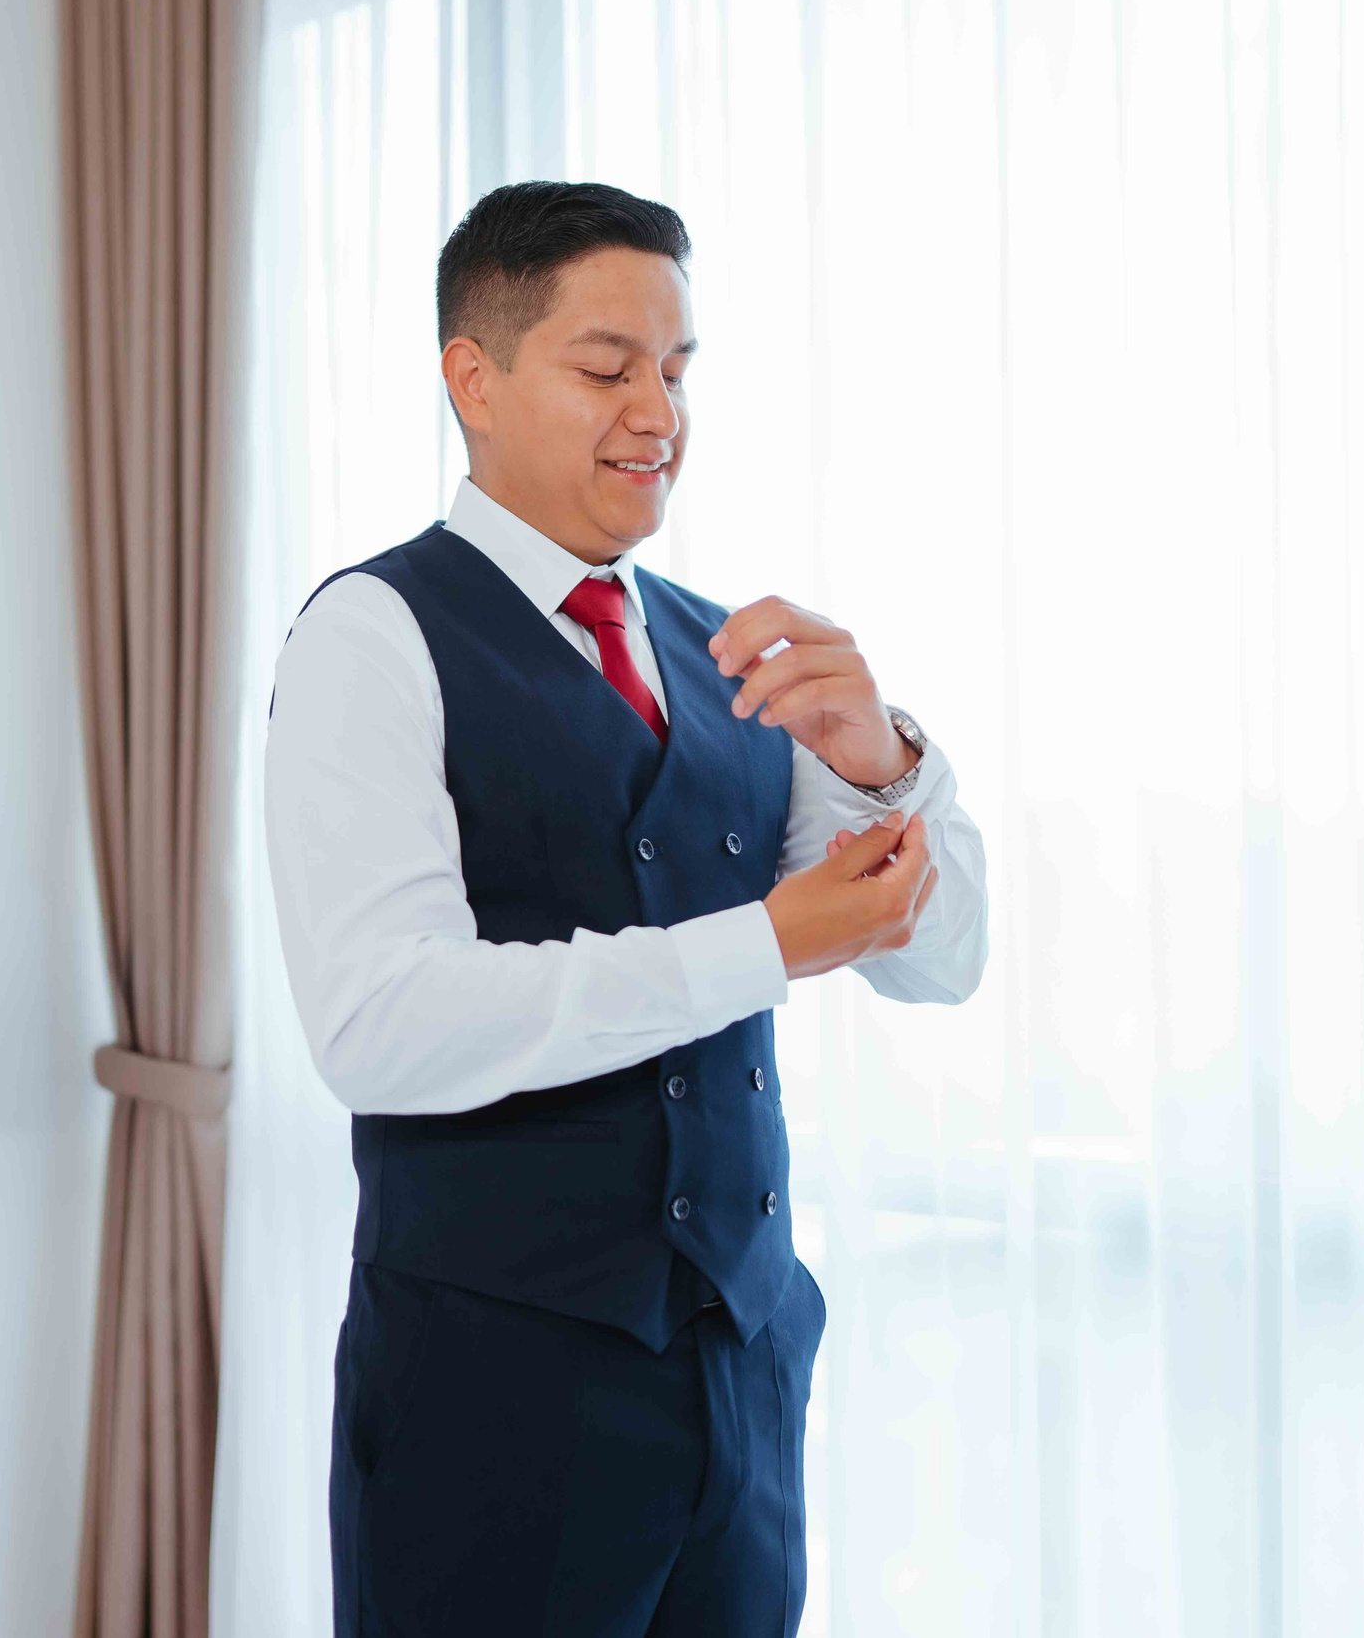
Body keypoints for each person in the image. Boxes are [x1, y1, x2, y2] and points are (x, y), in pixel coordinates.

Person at [264, 179, 989, 1637]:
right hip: (493, 1411)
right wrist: (765, 946)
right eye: (608, 367)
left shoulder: (721, 651)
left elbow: (944, 960)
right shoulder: (373, 634)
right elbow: (377, 1025)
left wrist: (887, 764)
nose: (657, 409)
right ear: (473, 378)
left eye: (678, 368)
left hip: (741, 1381)